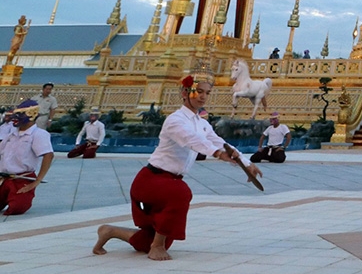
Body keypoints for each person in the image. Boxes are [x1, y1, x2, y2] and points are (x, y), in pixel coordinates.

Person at [93, 75, 261, 260]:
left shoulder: (202, 124)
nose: (203, 96)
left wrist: (246, 163)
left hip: (168, 182)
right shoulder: (175, 120)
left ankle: (109, 231)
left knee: (148, 242)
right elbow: (193, 140)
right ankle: (157, 247)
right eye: (199, 91)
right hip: (151, 181)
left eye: (207, 93)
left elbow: (219, 142)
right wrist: (218, 154)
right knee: (181, 193)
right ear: (185, 93)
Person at [0, 98, 54, 216]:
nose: (15, 117)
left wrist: (37, 181)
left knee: (16, 208)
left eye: (19, 114)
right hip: (4, 178)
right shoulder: (11, 134)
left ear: (31, 115)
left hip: (22, 178)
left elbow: (48, 155)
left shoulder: (39, 134)